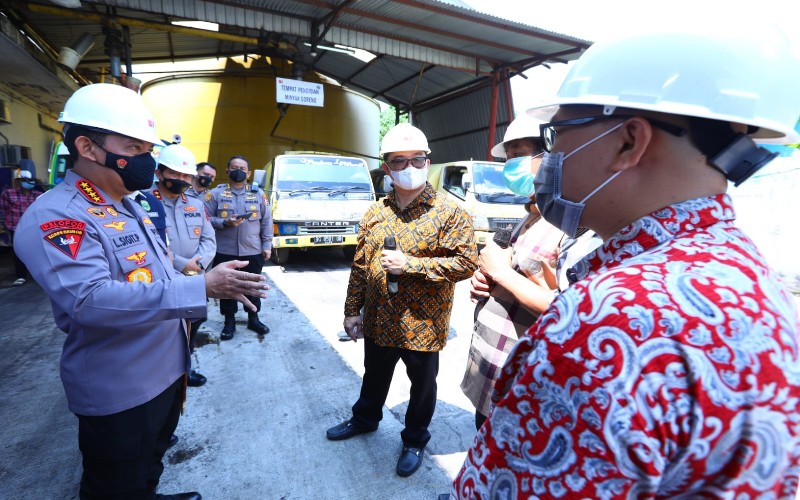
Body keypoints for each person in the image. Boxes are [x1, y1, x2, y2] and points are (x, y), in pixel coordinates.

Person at [450, 25, 800, 498]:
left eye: (557, 136)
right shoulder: (758, 281)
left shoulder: (606, 320)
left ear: (628, 142)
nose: (551, 159)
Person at [13, 83, 269, 500]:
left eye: (148, 148)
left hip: (166, 369)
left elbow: (158, 267)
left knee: (152, 458)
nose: (147, 159)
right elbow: (89, 300)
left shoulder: (128, 203)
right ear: (88, 147)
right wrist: (200, 287)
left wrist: (193, 276)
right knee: (116, 485)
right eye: (134, 147)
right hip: (122, 386)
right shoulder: (58, 215)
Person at [326, 123, 478, 477]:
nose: (409, 167)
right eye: (399, 161)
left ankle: (413, 439)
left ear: (427, 161)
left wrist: (411, 265)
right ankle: (364, 419)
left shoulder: (450, 212)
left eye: (417, 159)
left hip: (423, 324)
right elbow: (361, 265)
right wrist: (351, 311)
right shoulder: (375, 212)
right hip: (379, 317)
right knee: (374, 375)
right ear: (386, 167)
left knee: (422, 387)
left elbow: (466, 263)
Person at [460, 115, 566, 431]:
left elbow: (568, 307)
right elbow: (507, 274)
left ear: (548, 156)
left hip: (522, 383)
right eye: (508, 158)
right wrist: (486, 281)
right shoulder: (528, 216)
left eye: (518, 155)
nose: (510, 166)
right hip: (492, 372)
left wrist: (501, 274)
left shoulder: (569, 226)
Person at [152, 143, 216, 388]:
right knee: (165, 329)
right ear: (160, 173)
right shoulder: (143, 202)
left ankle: (185, 370)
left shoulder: (196, 204)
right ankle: (164, 375)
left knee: (192, 325)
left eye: (185, 175)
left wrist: (197, 265)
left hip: (196, 277)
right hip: (164, 280)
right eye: (174, 173)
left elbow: (209, 239)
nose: (181, 179)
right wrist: (182, 263)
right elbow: (152, 244)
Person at [204, 155, 273, 340]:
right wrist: (224, 222)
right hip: (225, 251)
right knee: (226, 288)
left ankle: (254, 318)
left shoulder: (258, 194)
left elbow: (266, 221)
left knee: (253, 287)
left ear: (249, 174)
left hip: (253, 250)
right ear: (227, 171)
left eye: (243, 169)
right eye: (234, 168)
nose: (238, 171)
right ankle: (229, 322)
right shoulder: (215, 194)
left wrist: (267, 244)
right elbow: (205, 219)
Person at [0, 169, 40, 286]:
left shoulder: (38, 195)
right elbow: (4, 209)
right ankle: (21, 276)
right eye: (24, 180)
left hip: (34, 228)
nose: (28, 182)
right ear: (18, 181)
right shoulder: (8, 194)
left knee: (36, 251)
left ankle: (37, 274)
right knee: (19, 251)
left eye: (30, 180)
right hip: (15, 227)